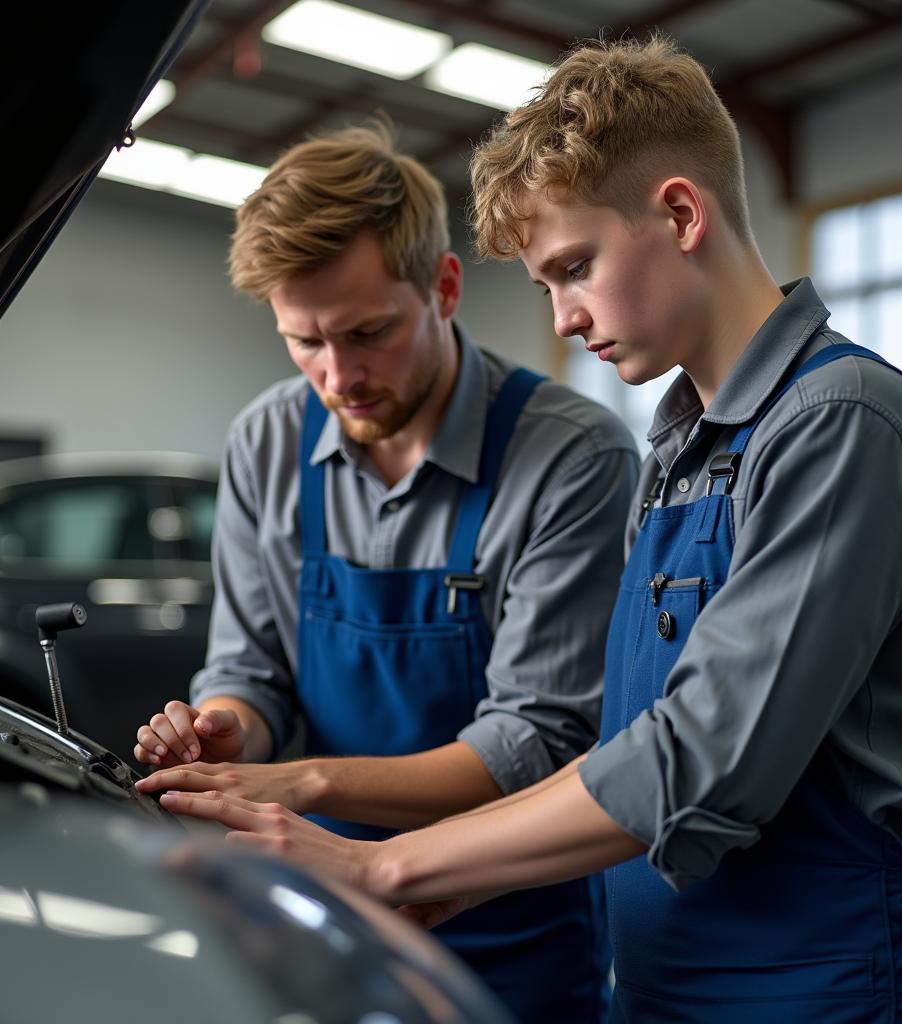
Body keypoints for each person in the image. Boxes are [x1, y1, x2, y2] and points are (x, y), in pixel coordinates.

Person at [151, 38, 902, 1024]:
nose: (563, 316)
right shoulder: (683, 446)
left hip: (822, 987)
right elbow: (625, 735)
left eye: (573, 268)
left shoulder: (841, 424)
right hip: (669, 976)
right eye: (546, 284)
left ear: (679, 213)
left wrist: (388, 861)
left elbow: (696, 758)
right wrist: (467, 875)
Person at [133, 124, 639, 1021]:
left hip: (510, 929)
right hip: (319, 919)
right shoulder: (265, 442)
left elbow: (535, 743)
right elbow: (251, 671)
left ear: (443, 287)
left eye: (369, 332)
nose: (340, 376)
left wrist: (309, 782)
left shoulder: (570, 455)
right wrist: (225, 732)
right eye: (305, 342)